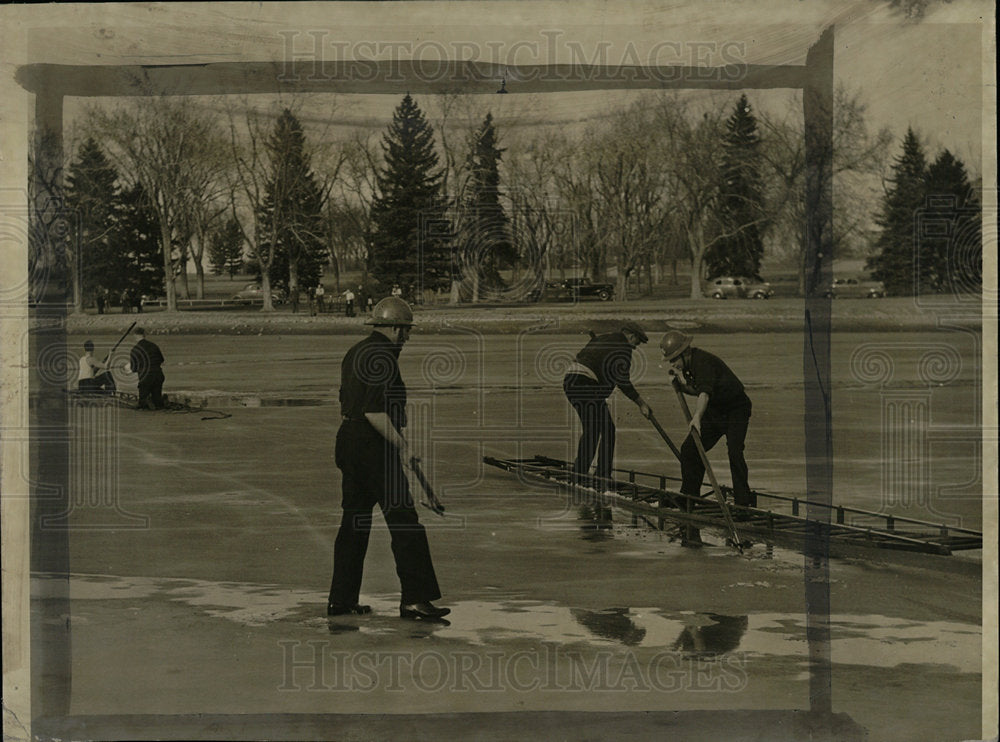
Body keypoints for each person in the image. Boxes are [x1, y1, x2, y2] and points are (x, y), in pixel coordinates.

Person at [328, 296, 448, 620]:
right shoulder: (383, 355)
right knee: (404, 522)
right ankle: (415, 599)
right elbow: (374, 411)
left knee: (354, 523)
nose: (407, 338)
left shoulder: (355, 351)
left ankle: (341, 600)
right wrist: (403, 447)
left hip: (349, 443)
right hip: (373, 446)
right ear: (394, 328)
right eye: (406, 331)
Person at [660, 330, 755, 532]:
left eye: (674, 359)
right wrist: (682, 387)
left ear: (684, 353)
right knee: (690, 449)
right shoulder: (689, 365)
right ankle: (689, 496)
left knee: (735, 452)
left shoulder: (702, 361)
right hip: (716, 411)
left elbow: (704, 393)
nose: (673, 364)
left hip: (736, 409)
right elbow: (700, 389)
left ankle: (742, 504)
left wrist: (697, 417)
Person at [562, 321, 652, 493]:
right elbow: (622, 380)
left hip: (571, 380)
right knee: (603, 429)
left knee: (596, 428)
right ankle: (597, 474)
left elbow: (580, 356)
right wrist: (641, 403)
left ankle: (585, 472)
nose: (636, 347)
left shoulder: (603, 339)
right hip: (585, 383)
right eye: (637, 342)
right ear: (631, 336)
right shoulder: (623, 348)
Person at [129, 327, 165, 410]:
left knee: (142, 404)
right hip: (158, 375)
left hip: (145, 378)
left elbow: (133, 369)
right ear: (144, 334)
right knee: (158, 400)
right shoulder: (154, 346)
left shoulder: (135, 349)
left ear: (135, 335)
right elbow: (161, 360)